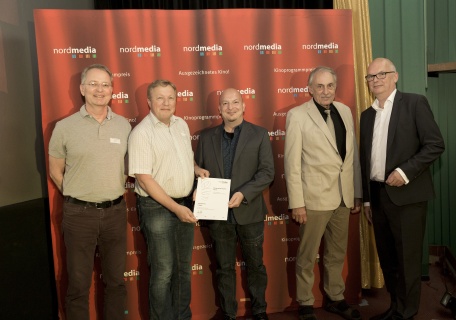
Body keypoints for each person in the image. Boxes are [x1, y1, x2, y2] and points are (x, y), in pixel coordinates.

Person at [360, 58, 445, 320]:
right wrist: (366, 201)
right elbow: (365, 160)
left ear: (395, 76)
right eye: (371, 76)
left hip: (408, 196)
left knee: (408, 261)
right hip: (377, 196)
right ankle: (396, 307)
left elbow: (434, 144)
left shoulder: (415, 103)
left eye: (381, 74)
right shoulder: (367, 115)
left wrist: (404, 172)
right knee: (389, 260)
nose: (376, 79)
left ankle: (407, 313)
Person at [49, 63, 131, 320]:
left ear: (112, 90)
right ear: (82, 88)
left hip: (116, 213)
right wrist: (78, 195)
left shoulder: (124, 126)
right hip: (79, 215)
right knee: (78, 285)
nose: (100, 89)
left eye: (105, 84)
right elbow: (55, 171)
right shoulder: (64, 127)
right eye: (93, 84)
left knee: (116, 282)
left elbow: (131, 167)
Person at [284, 66, 362, 320]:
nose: (325, 91)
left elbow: (351, 158)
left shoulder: (345, 111)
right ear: (310, 89)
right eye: (319, 86)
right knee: (307, 255)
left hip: (343, 196)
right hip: (314, 198)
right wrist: (297, 203)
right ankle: (305, 302)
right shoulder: (297, 115)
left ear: (335, 88)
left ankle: (335, 297)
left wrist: (357, 193)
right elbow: (292, 163)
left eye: (330, 86)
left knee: (336, 253)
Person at [128, 79, 207, 320]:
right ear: (149, 102)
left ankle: (182, 316)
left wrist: (196, 169)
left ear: (176, 100)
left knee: (183, 268)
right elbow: (143, 178)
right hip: (157, 208)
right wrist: (176, 208)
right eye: (160, 98)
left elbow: (184, 157)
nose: (166, 103)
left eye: (170, 98)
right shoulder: (142, 133)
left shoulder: (181, 125)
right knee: (163, 271)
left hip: (183, 204)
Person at [194, 88, 274, 320]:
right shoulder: (205, 137)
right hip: (217, 215)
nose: (231, 107)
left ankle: (259, 310)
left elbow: (267, 172)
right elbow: (197, 169)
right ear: (219, 109)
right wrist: (198, 177)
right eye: (225, 103)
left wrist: (244, 193)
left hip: (249, 211)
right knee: (224, 268)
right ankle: (228, 313)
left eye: (235, 102)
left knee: (256, 266)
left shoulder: (259, 134)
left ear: (244, 105)